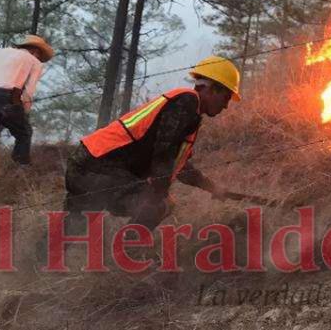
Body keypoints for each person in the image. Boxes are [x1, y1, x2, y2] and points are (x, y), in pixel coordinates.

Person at [63, 55, 240, 230]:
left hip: (87, 165)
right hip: (97, 168)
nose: (225, 106)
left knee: (70, 230)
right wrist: (158, 192)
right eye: (226, 97)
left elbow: (180, 166)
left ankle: (41, 254)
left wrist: (212, 187)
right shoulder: (186, 102)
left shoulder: (188, 111)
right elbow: (164, 153)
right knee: (156, 206)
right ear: (212, 89)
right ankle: (126, 253)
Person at [0, 34, 55, 174]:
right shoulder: (35, 62)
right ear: (35, 51)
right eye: (39, 54)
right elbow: (29, 92)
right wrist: (24, 112)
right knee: (24, 133)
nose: (39, 57)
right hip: (9, 96)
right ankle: (21, 168)